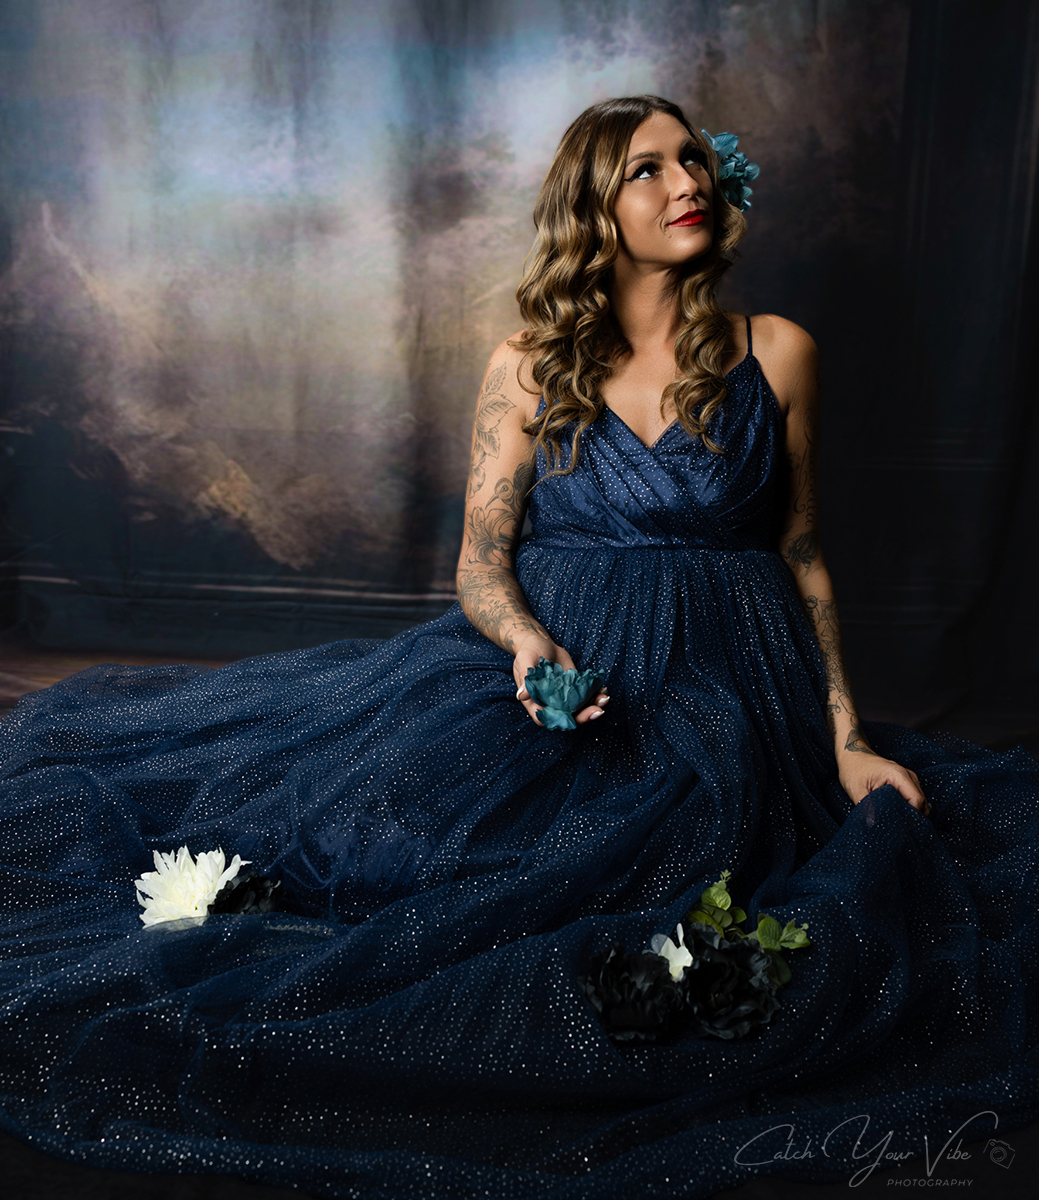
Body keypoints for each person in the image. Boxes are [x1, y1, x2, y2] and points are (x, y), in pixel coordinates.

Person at [0, 95, 1035, 1200]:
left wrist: (842, 742)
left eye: (692, 160)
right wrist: (527, 641)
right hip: (569, 660)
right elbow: (481, 561)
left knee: (711, 886)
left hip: (731, 675)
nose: (687, 181)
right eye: (647, 169)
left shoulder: (776, 352)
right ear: (593, 206)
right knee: (423, 859)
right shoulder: (529, 364)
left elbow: (805, 553)